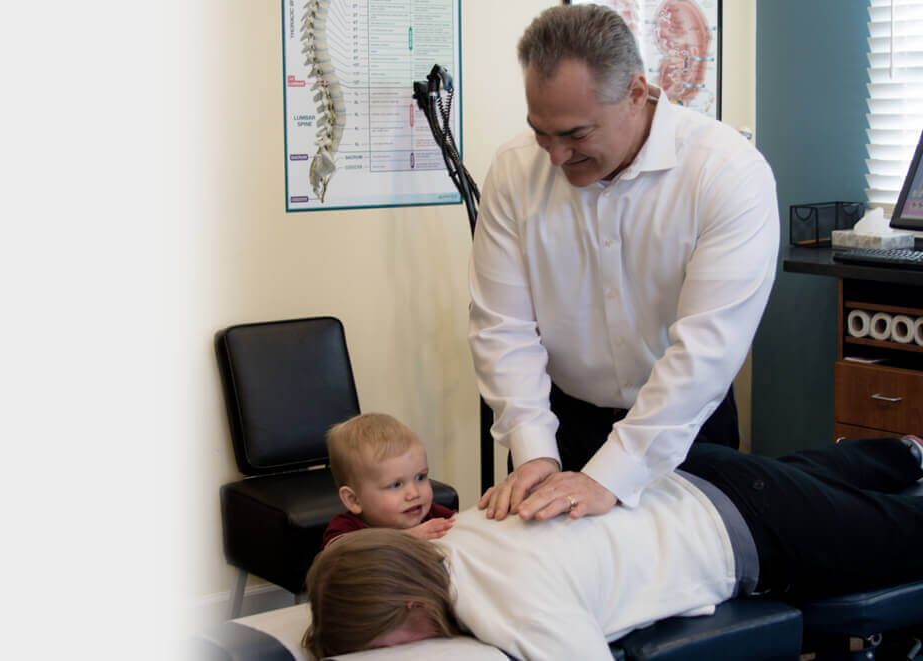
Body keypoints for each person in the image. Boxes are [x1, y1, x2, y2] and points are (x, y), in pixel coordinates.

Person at [469, 4, 779, 522]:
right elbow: (503, 328)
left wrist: (613, 472)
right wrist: (533, 449)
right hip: (557, 423)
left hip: (684, 426)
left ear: (636, 93)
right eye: (542, 132)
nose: (556, 157)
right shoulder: (513, 170)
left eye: (576, 135)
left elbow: (707, 351)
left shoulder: (726, 173)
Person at [303, 435, 923, 659]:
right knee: (827, 479)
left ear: (411, 608)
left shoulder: (509, 604)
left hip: (754, 527)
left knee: (902, 533)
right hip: (692, 474)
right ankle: (904, 451)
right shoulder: (454, 529)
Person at [319, 413, 455, 548]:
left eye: (420, 477)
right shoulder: (345, 528)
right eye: (396, 485)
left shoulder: (429, 513)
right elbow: (341, 554)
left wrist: (475, 514)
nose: (414, 494)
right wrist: (408, 537)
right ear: (354, 500)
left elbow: (463, 526)